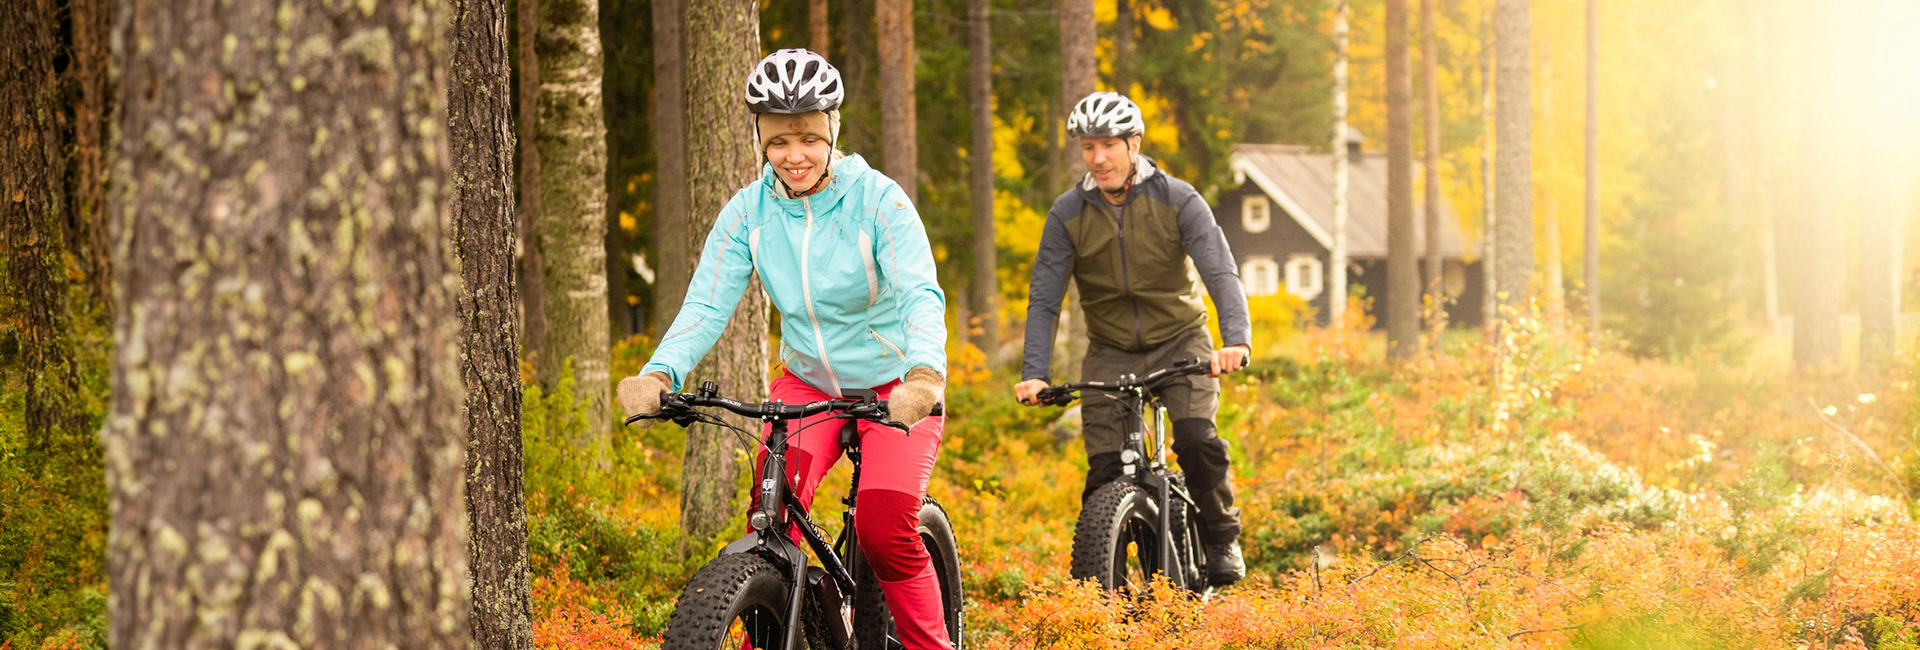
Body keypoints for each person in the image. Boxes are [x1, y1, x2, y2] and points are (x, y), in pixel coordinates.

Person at [617, 49, 953, 649]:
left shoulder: (878, 200)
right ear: (760, 143)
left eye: (807, 138)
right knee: (771, 513)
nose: (793, 156)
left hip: (894, 384)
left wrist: (925, 376)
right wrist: (659, 370)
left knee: (884, 527)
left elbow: (918, 292)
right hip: (808, 387)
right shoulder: (749, 211)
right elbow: (706, 303)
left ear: (831, 133)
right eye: (777, 142)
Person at [1013, 91, 1252, 587]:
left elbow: (1220, 272)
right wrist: (1035, 372)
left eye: (1108, 145)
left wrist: (1236, 340)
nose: (1097, 158)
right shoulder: (1067, 214)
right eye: (1087, 147)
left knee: (1195, 439)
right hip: (1110, 350)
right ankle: (1109, 576)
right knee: (1104, 473)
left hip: (1181, 339)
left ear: (1134, 144)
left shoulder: (1178, 198)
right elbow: (1044, 299)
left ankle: (1220, 534)